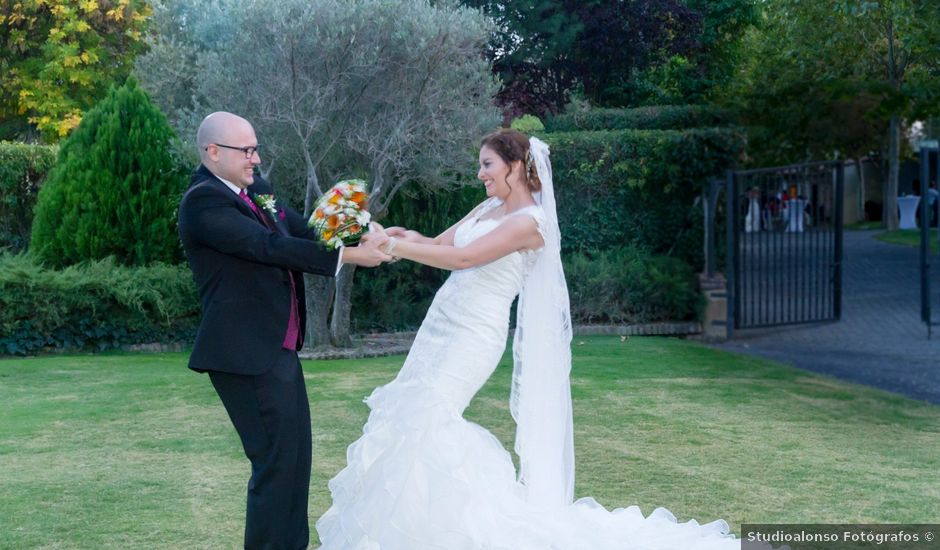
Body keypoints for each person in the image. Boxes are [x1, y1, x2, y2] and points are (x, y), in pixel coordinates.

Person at [315, 129, 736, 549]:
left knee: (429, 418)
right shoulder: (489, 208)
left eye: (487, 164)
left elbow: (463, 258)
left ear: (515, 166)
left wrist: (398, 248)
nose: (480, 174)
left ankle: (464, 529)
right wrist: (387, 235)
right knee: (411, 413)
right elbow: (439, 244)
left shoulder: (531, 223)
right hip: (440, 326)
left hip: (473, 336)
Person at [177, 112, 391, 550]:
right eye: (247, 150)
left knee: (294, 463)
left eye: (256, 148)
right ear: (213, 152)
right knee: (276, 466)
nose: (256, 159)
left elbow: (302, 228)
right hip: (244, 353)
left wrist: (364, 231)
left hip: (278, 349)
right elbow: (266, 247)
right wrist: (346, 260)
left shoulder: (256, 190)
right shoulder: (202, 202)